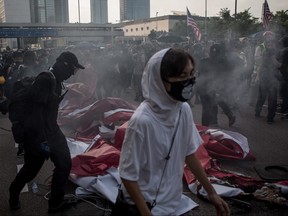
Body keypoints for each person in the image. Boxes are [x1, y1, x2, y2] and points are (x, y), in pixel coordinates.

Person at [114, 48, 231, 215]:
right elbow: (127, 175)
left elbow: (189, 154)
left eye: (191, 74)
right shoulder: (141, 122)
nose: (190, 81)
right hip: (144, 206)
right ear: (160, 80)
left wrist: (211, 192)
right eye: (182, 76)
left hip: (172, 204)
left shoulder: (183, 109)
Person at [8, 51, 85, 213]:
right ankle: (14, 192)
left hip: (51, 129)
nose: (72, 73)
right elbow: (36, 113)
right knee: (30, 170)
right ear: (64, 66)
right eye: (72, 69)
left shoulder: (56, 80)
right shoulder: (45, 80)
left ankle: (55, 203)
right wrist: (42, 141)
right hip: (37, 133)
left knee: (64, 164)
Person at [253, 31, 280, 123]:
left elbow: (278, 64)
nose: (269, 39)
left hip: (272, 76)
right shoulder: (260, 47)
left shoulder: (275, 48)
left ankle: (270, 118)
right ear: (264, 38)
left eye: (270, 37)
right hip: (265, 75)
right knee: (262, 96)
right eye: (267, 37)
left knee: (272, 97)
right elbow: (257, 61)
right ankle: (257, 111)